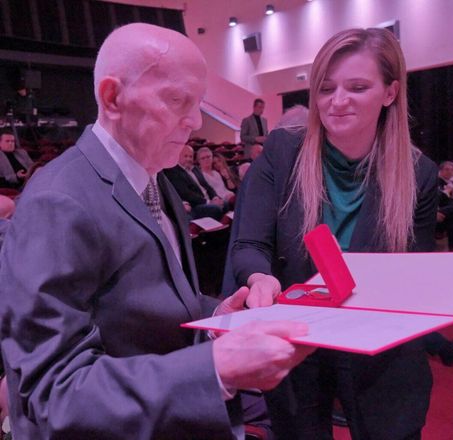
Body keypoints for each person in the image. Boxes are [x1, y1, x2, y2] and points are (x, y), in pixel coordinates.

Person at [0, 23, 314, 439]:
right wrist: (214, 368)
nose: (195, 121)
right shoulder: (57, 201)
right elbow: (51, 394)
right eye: (177, 100)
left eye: (198, 103)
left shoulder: (154, 177)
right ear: (112, 98)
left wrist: (216, 316)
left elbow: (145, 304)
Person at [231, 28, 439, 440]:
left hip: (378, 344)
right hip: (298, 336)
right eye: (326, 88)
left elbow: (414, 274)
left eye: (357, 87)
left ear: (390, 92)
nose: (337, 101)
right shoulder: (282, 151)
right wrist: (260, 278)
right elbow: (250, 244)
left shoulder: (419, 173)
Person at [164, 145, 228, 220]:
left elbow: (207, 186)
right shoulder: (175, 172)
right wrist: (208, 202)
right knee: (216, 208)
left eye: (190, 156)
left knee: (225, 203)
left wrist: (215, 197)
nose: (188, 159)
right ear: (178, 156)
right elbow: (187, 194)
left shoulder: (195, 169)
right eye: (185, 156)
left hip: (207, 200)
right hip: (196, 204)